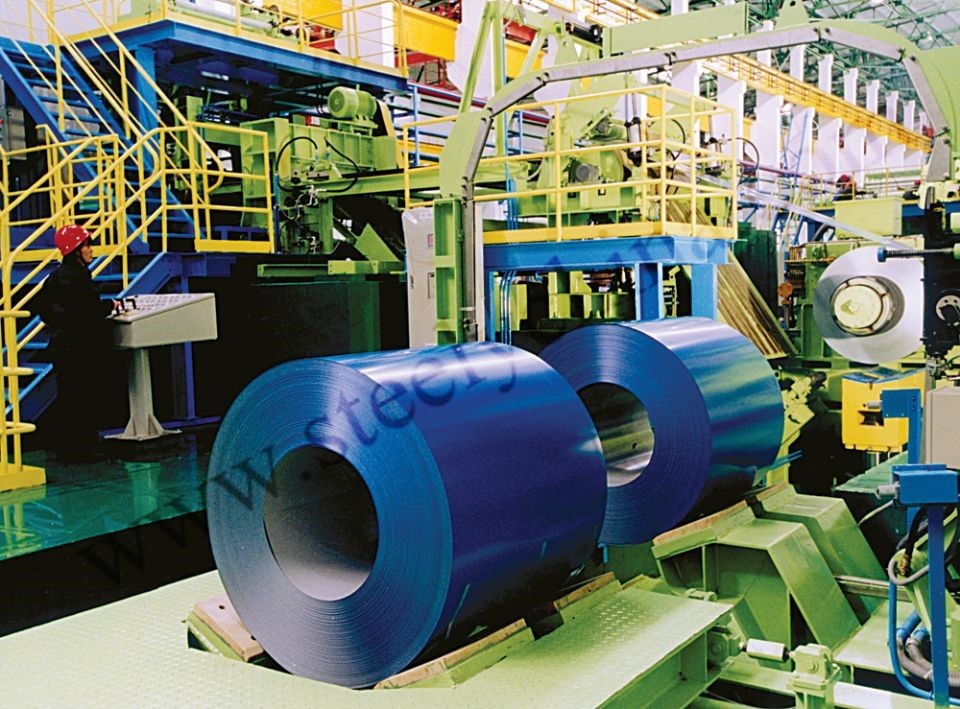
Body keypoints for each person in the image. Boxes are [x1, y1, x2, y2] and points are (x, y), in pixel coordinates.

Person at [34, 225, 119, 462]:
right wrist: (110, 306)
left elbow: (45, 311)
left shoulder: (56, 276)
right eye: (87, 245)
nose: (91, 250)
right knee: (83, 399)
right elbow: (88, 311)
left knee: (69, 398)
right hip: (80, 349)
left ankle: (70, 448)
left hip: (63, 347)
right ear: (75, 250)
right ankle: (83, 449)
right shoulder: (78, 277)